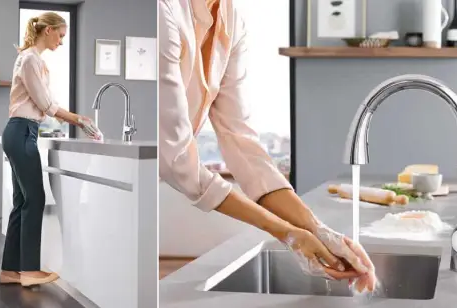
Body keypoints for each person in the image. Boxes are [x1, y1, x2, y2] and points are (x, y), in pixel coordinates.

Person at [159, 0, 376, 292]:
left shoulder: (231, 20)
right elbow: (176, 159)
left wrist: (318, 230)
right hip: (110, 179)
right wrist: (287, 233)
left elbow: (242, 142)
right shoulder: (162, 11)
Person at [0, 12, 101, 287]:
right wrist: (79, 120)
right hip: (22, 132)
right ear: (48, 31)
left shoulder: (34, 60)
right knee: (35, 200)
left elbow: (47, 103)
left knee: (22, 202)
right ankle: (30, 270)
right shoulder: (31, 59)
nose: (62, 41)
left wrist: (76, 119)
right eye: (61, 35)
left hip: (21, 132)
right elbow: (46, 104)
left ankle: (10, 270)